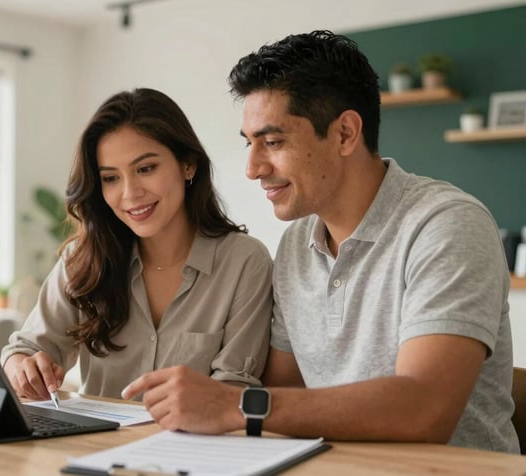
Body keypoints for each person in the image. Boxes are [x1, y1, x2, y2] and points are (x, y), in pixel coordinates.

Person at [122, 31, 519, 453]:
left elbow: (425, 410)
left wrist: (236, 404)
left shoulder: (446, 225)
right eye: (249, 144)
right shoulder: (296, 245)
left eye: (272, 142)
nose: (253, 169)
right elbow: (286, 393)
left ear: (346, 133)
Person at [1, 88, 273, 400]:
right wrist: (22, 367)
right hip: (94, 446)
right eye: (111, 178)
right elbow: (24, 349)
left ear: (188, 165)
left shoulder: (245, 262)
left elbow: (234, 390)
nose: (130, 193)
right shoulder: (84, 259)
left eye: (146, 169)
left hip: (193, 446)